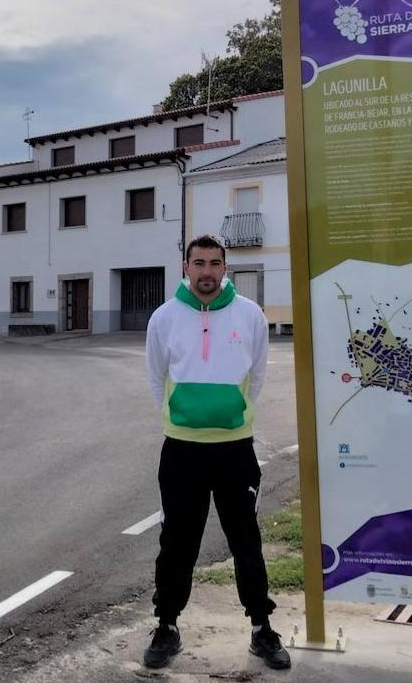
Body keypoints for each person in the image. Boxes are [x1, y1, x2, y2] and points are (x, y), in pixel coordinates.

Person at [142, 234, 290, 670]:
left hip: (234, 451)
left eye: (215, 263)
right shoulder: (164, 318)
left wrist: (234, 414)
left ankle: (262, 628)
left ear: (225, 268)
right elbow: (156, 377)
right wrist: (179, 416)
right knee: (177, 543)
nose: (207, 271)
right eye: (199, 262)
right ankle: (166, 625)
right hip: (182, 452)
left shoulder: (249, 316)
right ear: (185, 267)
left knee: (246, 541)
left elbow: (258, 374)